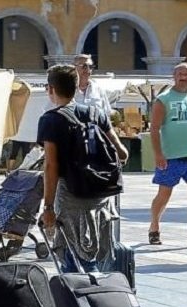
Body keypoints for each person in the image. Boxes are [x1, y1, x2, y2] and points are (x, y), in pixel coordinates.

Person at [38, 64, 128, 272]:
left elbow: (51, 166)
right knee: (92, 255)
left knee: (74, 259)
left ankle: (82, 300)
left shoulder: (51, 120)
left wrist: (48, 208)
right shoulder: (97, 114)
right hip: (100, 198)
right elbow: (123, 153)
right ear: (77, 86)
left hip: (70, 197)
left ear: (51, 89)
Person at [147, 63, 187, 249]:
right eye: (180, 74)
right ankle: (154, 227)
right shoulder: (163, 99)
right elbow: (155, 128)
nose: (184, 77)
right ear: (174, 76)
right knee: (164, 194)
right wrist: (158, 154)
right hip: (170, 156)